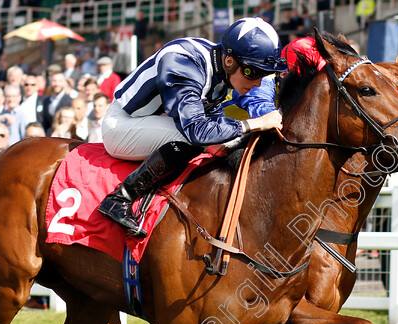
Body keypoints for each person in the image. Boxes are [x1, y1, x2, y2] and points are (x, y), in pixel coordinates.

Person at [97, 17, 286, 237]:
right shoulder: (183, 60)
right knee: (194, 139)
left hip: (155, 123)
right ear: (229, 61)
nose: (258, 83)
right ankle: (120, 197)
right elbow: (196, 131)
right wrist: (255, 123)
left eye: (264, 74)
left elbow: (214, 125)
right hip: (121, 125)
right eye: (252, 72)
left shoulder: (221, 73)